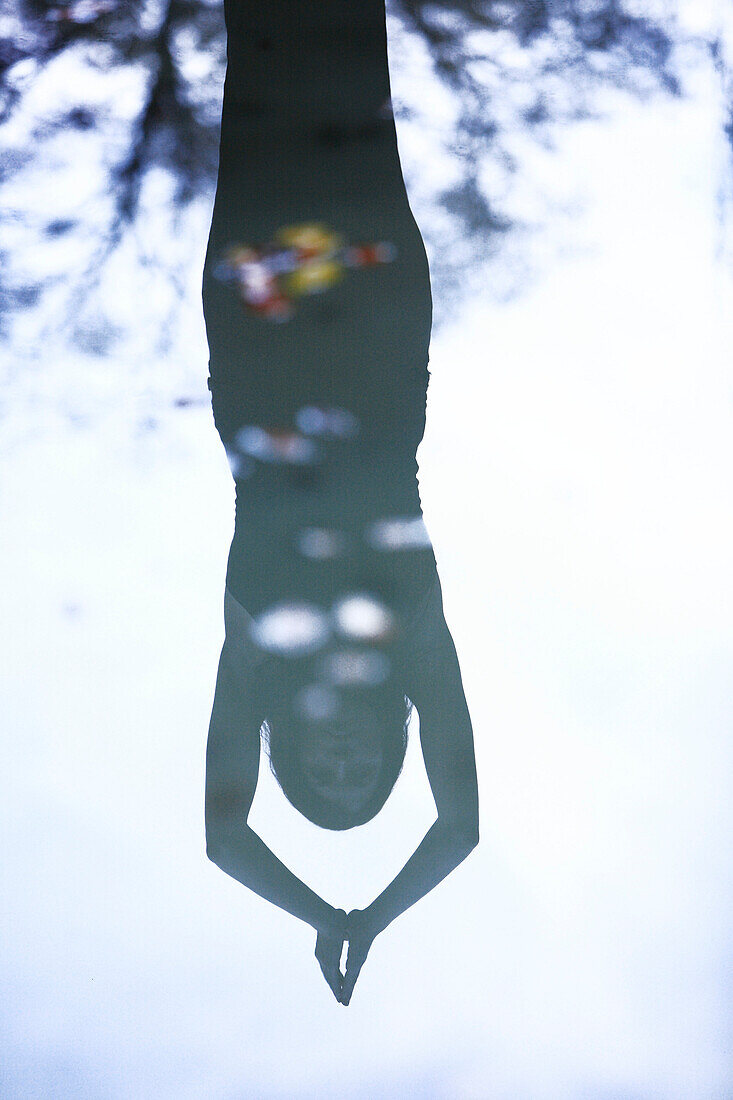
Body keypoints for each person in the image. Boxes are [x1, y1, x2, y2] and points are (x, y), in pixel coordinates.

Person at [202, 0, 479, 1005]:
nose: (345, 762)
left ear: (288, 752)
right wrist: (375, 917)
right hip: (375, 336)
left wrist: (328, 916)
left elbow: (222, 835)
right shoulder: (416, 652)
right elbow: (462, 826)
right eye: (365, 776)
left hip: (256, 334)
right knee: (349, 58)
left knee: (265, 61)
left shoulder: (255, 658)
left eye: (324, 780)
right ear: (390, 744)